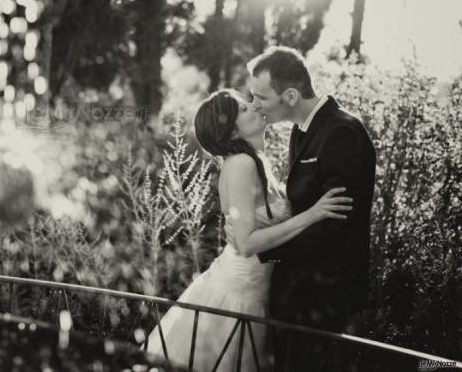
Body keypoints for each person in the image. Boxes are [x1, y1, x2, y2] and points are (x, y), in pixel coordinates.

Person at [145, 88, 353, 371]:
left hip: (256, 290)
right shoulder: (242, 164)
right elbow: (246, 243)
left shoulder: (254, 161)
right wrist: (313, 215)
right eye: (244, 109)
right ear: (231, 133)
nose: (255, 107)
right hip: (237, 296)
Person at [245, 46, 376, 372]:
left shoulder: (341, 133)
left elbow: (336, 223)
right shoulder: (300, 131)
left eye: (261, 97)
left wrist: (270, 246)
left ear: (290, 96)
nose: (254, 105)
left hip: (321, 297)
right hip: (296, 292)